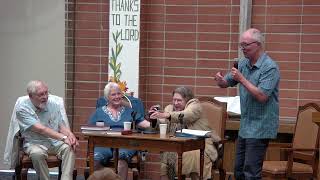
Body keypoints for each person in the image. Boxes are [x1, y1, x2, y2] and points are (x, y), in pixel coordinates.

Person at [214, 28, 280, 179]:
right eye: (241, 45)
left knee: (251, 172)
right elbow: (227, 82)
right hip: (245, 126)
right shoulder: (243, 63)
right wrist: (220, 80)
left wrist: (242, 79)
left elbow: (262, 96)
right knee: (238, 170)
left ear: (257, 44)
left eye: (245, 45)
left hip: (261, 126)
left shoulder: (270, 67)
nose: (242, 48)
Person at [149, 86, 219, 180]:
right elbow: (163, 126)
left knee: (192, 156)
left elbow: (186, 115)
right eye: (174, 100)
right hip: (178, 145)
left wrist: (167, 115)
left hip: (200, 145)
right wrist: (154, 119)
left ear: (187, 100)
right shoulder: (169, 109)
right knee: (166, 155)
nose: (175, 103)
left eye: (179, 100)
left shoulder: (195, 106)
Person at [15, 80, 79, 180]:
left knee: (70, 147)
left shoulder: (53, 104)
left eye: (46, 93)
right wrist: (63, 138)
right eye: (41, 94)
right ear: (31, 96)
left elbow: (61, 126)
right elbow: (41, 129)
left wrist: (71, 136)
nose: (45, 97)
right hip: (34, 143)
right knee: (37, 154)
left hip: (53, 142)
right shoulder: (22, 109)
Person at [88, 82, 150, 180]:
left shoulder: (130, 111)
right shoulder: (99, 112)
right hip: (104, 143)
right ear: (107, 97)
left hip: (125, 143)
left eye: (119, 94)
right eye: (113, 94)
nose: (117, 96)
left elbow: (145, 124)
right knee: (96, 158)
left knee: (122, 156)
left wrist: (156, 121)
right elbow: (89, 129)